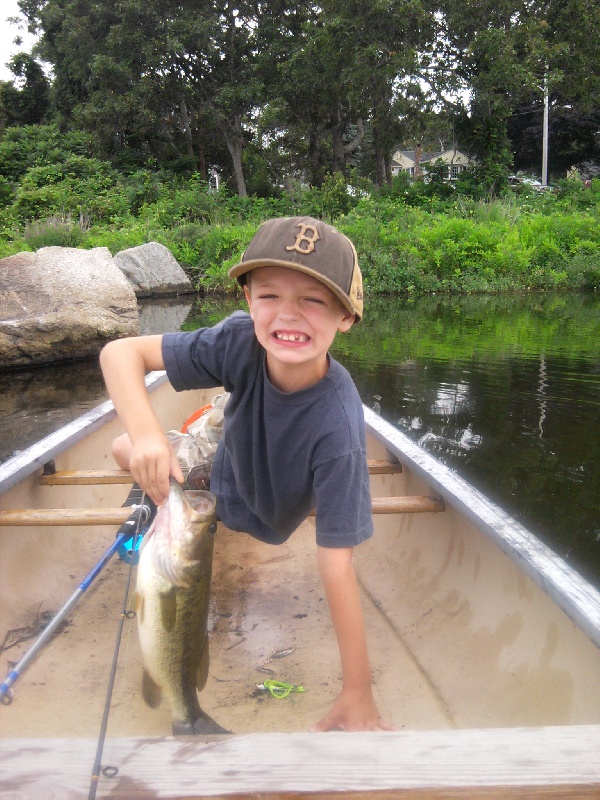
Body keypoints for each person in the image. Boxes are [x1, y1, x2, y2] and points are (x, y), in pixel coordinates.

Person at [100, 215, 393, 732]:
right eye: (270, 296)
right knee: (125, 444)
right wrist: (148, 437)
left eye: (314, 300)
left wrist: (358, 692)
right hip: (223, 465)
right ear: (247, 299)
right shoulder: (240, 341)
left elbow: (338, 565)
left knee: (166, 449)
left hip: (249, 482)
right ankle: (207, 423)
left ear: (347, 316)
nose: (288, 315)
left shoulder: (339, 430)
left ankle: (209, 424)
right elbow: (120, 353)